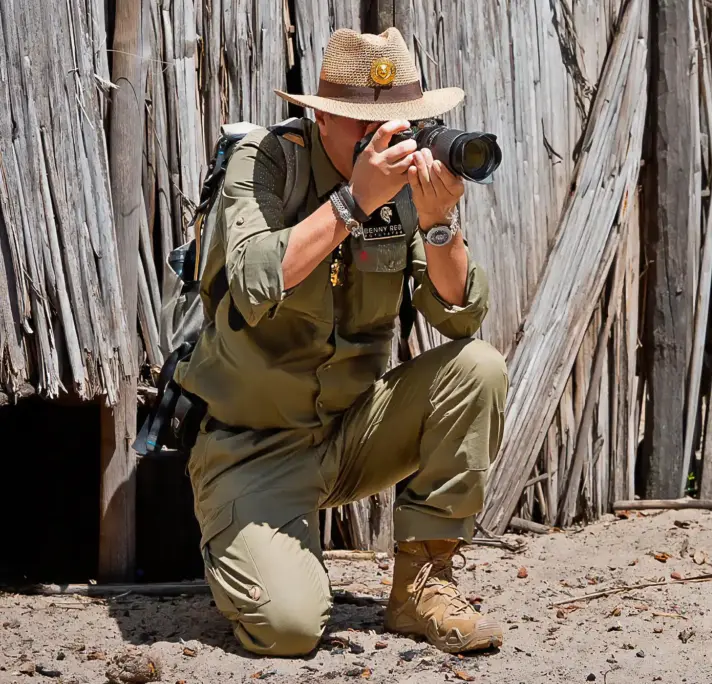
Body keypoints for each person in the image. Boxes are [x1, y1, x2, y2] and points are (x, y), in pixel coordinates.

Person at [173, 26, 508, 657]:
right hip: (253, 445)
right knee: (290, 630)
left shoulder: (404, 185)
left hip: (351, 432)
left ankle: (422, 589)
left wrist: (437, 226)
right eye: (363, 124)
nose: (384, 138)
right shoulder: (267, 161)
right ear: (322, 115)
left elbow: (460, 319)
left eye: (401, 123)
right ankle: (244, 539)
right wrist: (354, 203)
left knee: (479, 368)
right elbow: (250, 281)